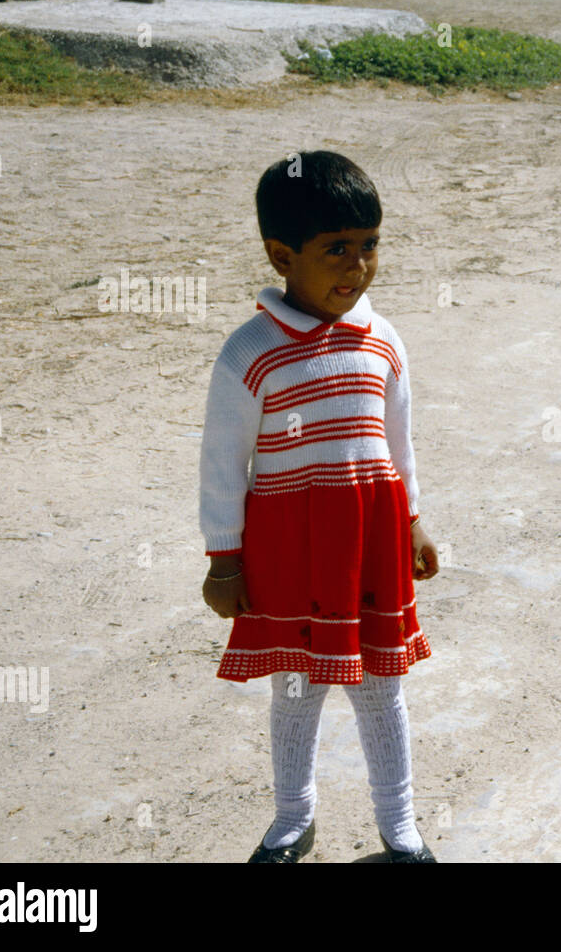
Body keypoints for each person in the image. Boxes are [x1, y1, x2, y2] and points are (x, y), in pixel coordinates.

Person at [199, 150, 440, 860]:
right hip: (293, 552)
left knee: (381, 690)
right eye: (336, 249)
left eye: (369, 247)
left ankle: (400, 828)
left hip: (371, 543)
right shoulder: (250, 353)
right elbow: (221, 465)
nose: (357, 267)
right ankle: (292, 820)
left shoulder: (384, 342)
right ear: (282, 255)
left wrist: (415, 520)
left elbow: (399, 442)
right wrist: (224, 560)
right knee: (298, 693)